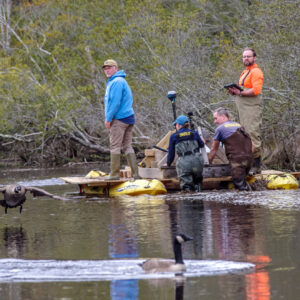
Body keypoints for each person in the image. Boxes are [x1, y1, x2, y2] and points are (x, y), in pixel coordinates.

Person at [227, 48, 264, 174]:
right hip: (242, 108)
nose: (246, 59)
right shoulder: (244, 72)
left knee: (252, 133)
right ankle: (248, 164)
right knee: (244, 135)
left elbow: (256, 90)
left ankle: (256, 166)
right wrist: (235, 92)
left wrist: (241, 92)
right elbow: (242, 91)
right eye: (244, 57)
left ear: (254, 58)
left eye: (248, 56)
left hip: (252, 107)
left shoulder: (256, 72)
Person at [102, 59, 140, 180]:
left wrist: (108, 119)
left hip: (119, 119)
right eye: (105, 68)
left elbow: (115, 103)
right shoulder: (119, 80)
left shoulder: (117, 82)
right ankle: (135, 174)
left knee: (115, 146)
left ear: (115, 68)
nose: (107, 70)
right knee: (127, 146)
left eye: (109, 68)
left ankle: (114, 175)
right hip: (128, 118)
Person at [208, 108, 253, 191]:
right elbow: (252, 144)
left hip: (237, 161)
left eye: (215, 118)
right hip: (249, 160)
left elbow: (214, 149)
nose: (215, 122)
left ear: (223, 116)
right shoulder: (239, 125)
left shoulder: (220, 129)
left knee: (240, 188)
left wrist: (209, 162)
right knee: (243, 183)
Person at [167, 115, 205, 192]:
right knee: (197, 184)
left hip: (184, 164)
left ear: (178, 125)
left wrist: (168, 163)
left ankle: (188, 199)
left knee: (187, 187)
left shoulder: (174, 136)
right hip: (197, 162)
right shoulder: (194, 133)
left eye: (175, 125)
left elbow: (171, 153)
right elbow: (202, 145)